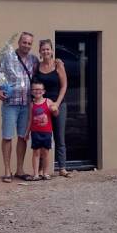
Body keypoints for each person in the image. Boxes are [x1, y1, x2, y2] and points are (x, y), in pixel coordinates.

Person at [0, 32, 39, 182]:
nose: (26, 45)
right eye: (24, 42)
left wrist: (56, 62)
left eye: (29, 43)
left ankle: (20, 169)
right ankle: (7, 171)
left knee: (23, 137)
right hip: (10, 104)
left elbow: (44, 69)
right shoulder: (7, 56)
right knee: (7, 137)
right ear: (19, 42)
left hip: (26, 104)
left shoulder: (34, 60)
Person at [32, 39, 70, 177]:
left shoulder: (58, 65)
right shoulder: (37, 66)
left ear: (52, 51)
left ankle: (62, 168)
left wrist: (57, 104)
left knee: (59, 136)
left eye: (48, 49)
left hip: (58, 104)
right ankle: (42, 170)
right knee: (43, 136)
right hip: (43, 106)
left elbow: (64, 86)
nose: (46, 51)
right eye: (43, 49)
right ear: (40, 52)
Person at [25, 81, 58, 181]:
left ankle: (45, 173)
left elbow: (56, 114)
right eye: (34, 89)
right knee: (36, 153)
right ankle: (35, 174)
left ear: (43, 91)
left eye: (39, 89)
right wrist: (27, 132)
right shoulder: (31, 104)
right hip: (35, 132)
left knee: (46, 154)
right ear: (31, 91)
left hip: (47, 132)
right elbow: (30, 119)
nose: (37, 91)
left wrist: (55, 110)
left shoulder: (48, 101)